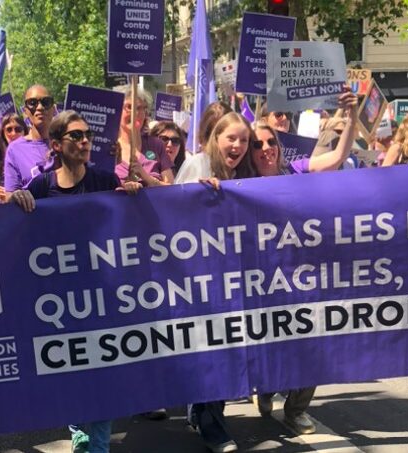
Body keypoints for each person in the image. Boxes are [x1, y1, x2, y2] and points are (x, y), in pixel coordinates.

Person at [10, 111, 140, 453]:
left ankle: (96, 445)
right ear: (57, 145)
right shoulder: (41, 187)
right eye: (76, 137)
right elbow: (18, 232)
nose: (84, 142)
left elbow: (128, 220)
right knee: (71, 372)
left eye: (87, 136)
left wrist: (134, 192)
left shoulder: (102, 179)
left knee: (101, 371)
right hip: (59, 300)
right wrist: (15, 200)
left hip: (101, 295)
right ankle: (78, 428)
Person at [251, 91, 357, 435]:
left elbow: (338, 157)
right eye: (258, 144)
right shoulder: (239, 184)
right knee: (269, 345)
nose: (266, 148)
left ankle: (296, 409)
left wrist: (352, 117)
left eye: (272, 142)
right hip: (261, 283)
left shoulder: (295, 170)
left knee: (312, 341)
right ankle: (266, 387)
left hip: (301, 278)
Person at [173, 112, 256, 453]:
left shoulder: (241, 175)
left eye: (244, 140)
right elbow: (172, 209)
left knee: (222, 348)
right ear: (216, 139)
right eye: (231, 138)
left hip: (230, 277)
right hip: (196, 276)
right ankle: (214, 429)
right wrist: (197, 196)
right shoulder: (198, 164)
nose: (237, 145)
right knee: (210, 349)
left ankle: (201, 410)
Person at [113, 85, 174, 187]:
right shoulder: (109, 147)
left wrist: (146, 177)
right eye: (129, 107)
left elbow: (172, 190)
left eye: (143, 108)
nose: (137, 113)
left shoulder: (156, 145)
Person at [3, 85, 56, 191]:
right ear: (25, 111)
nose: (40, 107)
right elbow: (11, 195)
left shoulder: (67, 143)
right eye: (32, 103)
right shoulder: (14, 150)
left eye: (46, 102)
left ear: (54, 109)